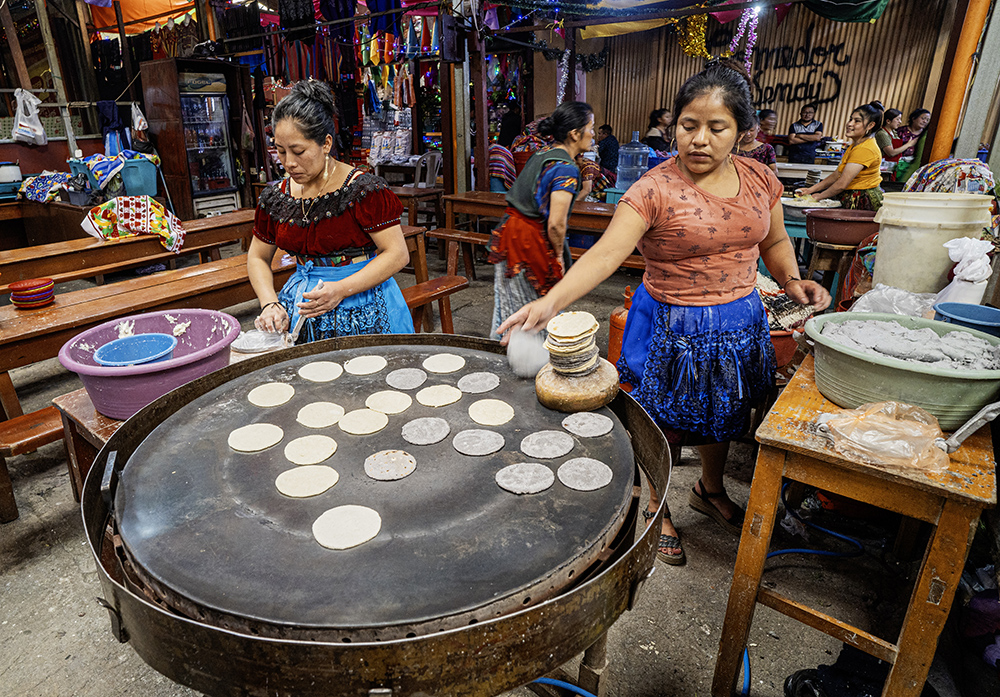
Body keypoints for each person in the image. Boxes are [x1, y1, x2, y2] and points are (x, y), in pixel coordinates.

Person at [497, 60, 830, 566]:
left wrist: (790, 279)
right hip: (672, 326)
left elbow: (776, 239)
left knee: (727, 413)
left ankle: (709, 488)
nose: (699, 139)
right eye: (687, 125)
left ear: (741, 132)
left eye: (716, 128)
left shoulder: (761, 179)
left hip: (740, 321)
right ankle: (658, 504)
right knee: (661, 422)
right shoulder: (653, 189)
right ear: (674, 125)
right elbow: (607, 255)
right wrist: (547, 303)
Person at [249, 80, 413, 341]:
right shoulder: (276, 197)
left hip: (364, 307)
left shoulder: (363, 191)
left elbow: (396, 254)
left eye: (299, 151)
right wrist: (270, 303)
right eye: (280, 151)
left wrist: (341, 289)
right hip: (301, 311)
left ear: (326, 143)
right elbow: (257, 256)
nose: (288, 163)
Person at [487, 101, 594, 339]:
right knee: (537, 312)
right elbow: (556, 223)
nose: (593, 134)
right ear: (575, 134)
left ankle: (503, 354)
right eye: (591, 127)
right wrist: (557, 256)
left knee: (510, 305)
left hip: (511, 231)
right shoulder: (565, 168)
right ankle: (530, 365)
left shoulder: (543, 153)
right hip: (529, 242)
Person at [796, 102, 885, 211]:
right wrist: (810, 190)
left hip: (862, 202)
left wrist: (818, 196)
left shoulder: (865, 148)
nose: (850, 124)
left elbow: (842, 184)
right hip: (852, 197)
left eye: (857, 121)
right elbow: (837, 174)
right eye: (850, 119)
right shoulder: (855, 145)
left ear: (871, 125)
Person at [874, 108, 919, 179]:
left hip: (893, 167)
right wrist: (908, 144)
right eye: (897, 119)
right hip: (883, 169)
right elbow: (891, 153)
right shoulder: (882, 133)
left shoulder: (894, 133)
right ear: (888, 121)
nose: (900, 122)